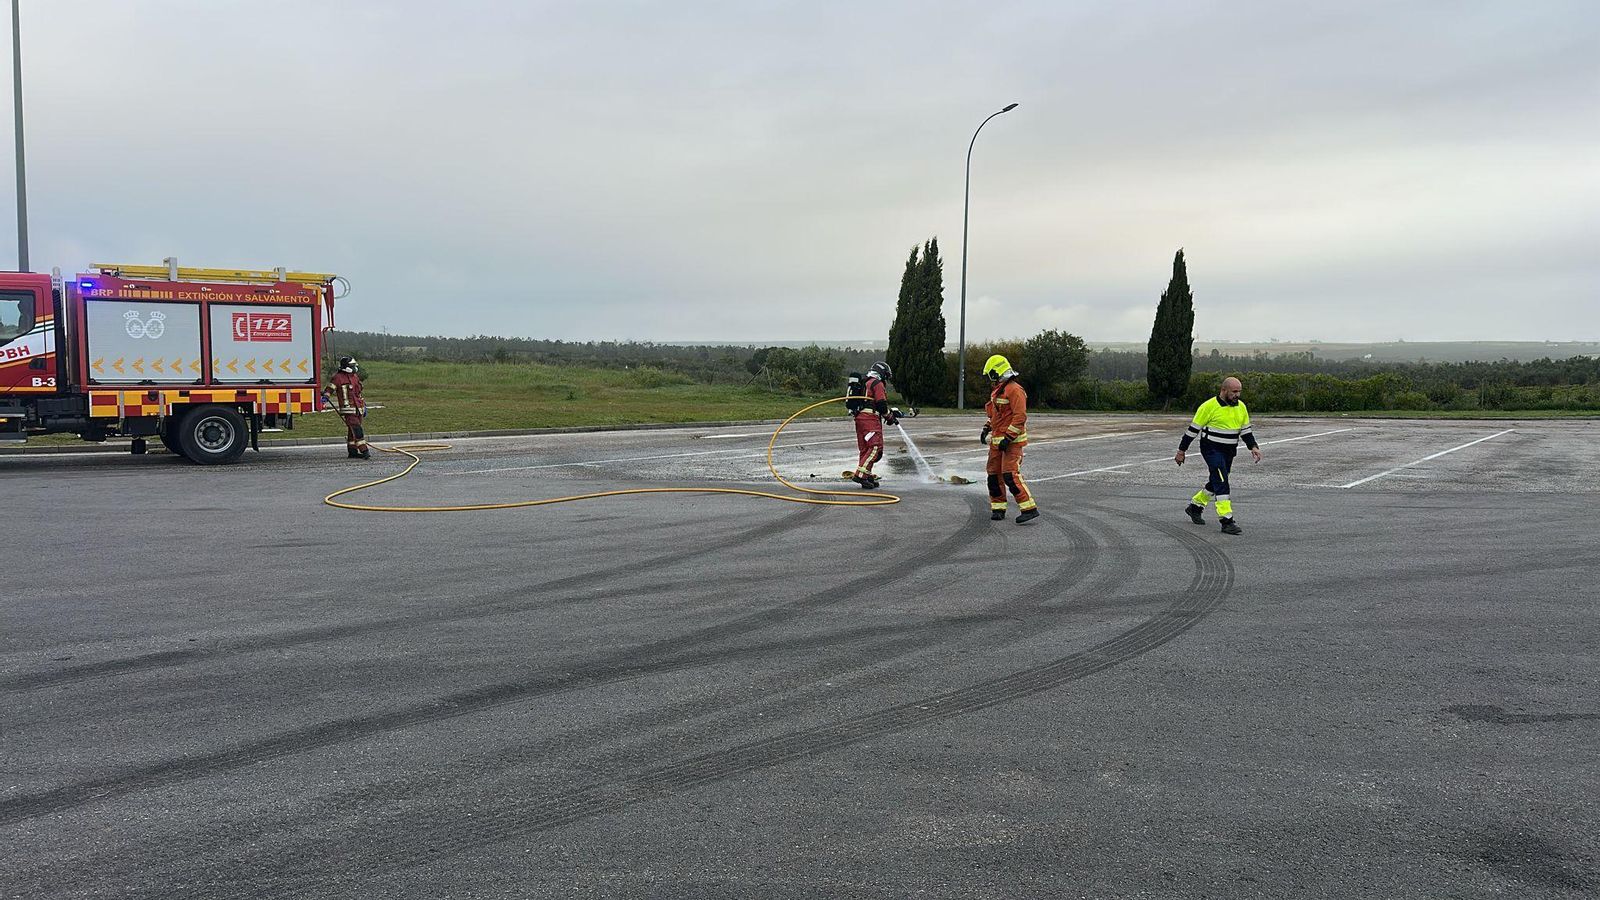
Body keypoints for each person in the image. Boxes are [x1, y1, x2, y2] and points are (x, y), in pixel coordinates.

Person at [1175, 376, 1262, 535]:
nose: (1237, 395)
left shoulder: (1241, 407)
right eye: (1234, 392)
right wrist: (1181, 451)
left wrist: (1253, 447)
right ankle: (1226, 520)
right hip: (1211, 449)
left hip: (1229, 451)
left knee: (1218, 480)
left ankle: (1195, 507)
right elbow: (1192, 431)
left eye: (1239, 392)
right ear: (1224, 390)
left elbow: (1245, 431)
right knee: (1222, 480)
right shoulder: (1208, 407)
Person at [980, 355, 1038, 524]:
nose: (990, 379)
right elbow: (997, 415)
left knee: (1009, 475)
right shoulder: (1000, 390)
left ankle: (1029, 508)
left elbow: (1020, 417)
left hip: (1011, 443)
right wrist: (986, 428)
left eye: (991, 375)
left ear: (997, 372)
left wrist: (1009, 437)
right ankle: (998, 508)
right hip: (997, 442)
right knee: (993, 476)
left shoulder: (1014, 390)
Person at [850, 361, 899, 489]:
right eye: (886, 376)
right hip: (870, 420)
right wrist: (889, 417)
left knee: (865, 448)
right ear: (882, 373)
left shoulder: (865, 382)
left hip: (860, 418)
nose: (886, 380)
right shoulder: (877, 384)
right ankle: (860, 475)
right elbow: (881, 405)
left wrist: (888, 415)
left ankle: (866, 475)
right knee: (875, 447)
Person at [326, 356, 370, 460]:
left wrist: (364, 406)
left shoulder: (354, 377)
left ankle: (352, 451)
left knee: (352, 431)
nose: (354, 368)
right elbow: (330, 389)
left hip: (358, 408)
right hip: (348, 409)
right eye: (352, 366)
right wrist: (325, 397)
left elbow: (358, 392)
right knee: (357, 429)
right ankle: (364, 450)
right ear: (346, 367)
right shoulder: (338, 377)